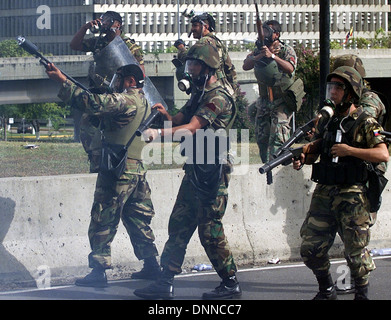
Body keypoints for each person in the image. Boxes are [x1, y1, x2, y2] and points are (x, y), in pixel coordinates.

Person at [133, 41, 240, 300]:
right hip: (196, 167)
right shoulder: (200, 92)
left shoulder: (218, 96)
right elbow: (178, 121)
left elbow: (192, 128)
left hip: (213, 169)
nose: (189, 70)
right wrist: (163, 115)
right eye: (189, 64)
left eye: (194, 65)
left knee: (209, 229)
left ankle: (230, 283)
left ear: (208, 67)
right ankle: (165, 280)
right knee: (179, 223)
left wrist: (157, 134)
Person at [46, 62, 160, 287]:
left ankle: (99, 271)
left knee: (103, 217)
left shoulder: (127, 99)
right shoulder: (145, 103)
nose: (115, 84)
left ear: (130, 81)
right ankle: (152, 266)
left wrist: (62, 80)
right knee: (138, 219)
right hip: (137, 171)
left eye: (119, 79)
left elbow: (93, 103)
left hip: (117, 172)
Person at [292, 66, 389, 300]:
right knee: (310, 248)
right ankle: (326, 288)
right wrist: (303, 158)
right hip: (325, 191)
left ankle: (362, 294)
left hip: (353, 194)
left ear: (351, 93)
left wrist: (350, 150)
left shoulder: (365, 122)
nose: (332, 92)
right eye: (330, 87)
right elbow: (317, 150)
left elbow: (382, 154)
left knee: (355, 251)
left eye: (338, 87)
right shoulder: (327, 121)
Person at [331, 54, 388, 294]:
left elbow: (363, 124)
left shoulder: (369, 100)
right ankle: (352, 277)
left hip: (368, 171)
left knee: (357, 231)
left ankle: (358, 281)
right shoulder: (340, 103)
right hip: (348, 169)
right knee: (348, 232)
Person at [70, 11, 145, 173]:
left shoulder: (130, 46)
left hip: (120, 97)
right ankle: (96, 160)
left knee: (114, 134)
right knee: (87, 126)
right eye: (102, 20)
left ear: (117, 24)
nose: (103, 23)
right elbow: (75, 45)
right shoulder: (99, 42)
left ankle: (118, 163)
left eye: (107, 21)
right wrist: (85, 28)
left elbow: (140, 74)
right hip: (101, 94)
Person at [242, 20, 303, 164]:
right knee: (261, 137)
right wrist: (258, 57)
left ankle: (281, 164)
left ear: (276, 34)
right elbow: (246, 65)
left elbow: (290, 68)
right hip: (264, 101)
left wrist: (273, 57)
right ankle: (266, 166)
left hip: (281, 100)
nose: (264, 34)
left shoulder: (285, 50)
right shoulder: (259, 50)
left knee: (279, 136)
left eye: (268, 31)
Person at [176, 12, 239, 97]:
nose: (192, 29)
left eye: (195, 26)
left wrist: (181, 48)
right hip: (222, 88)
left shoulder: (204, 42)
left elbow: (191, 58)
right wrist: (233, 89)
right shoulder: (218, 42)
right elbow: (230, 68)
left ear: (205, 27)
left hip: (208, 87)